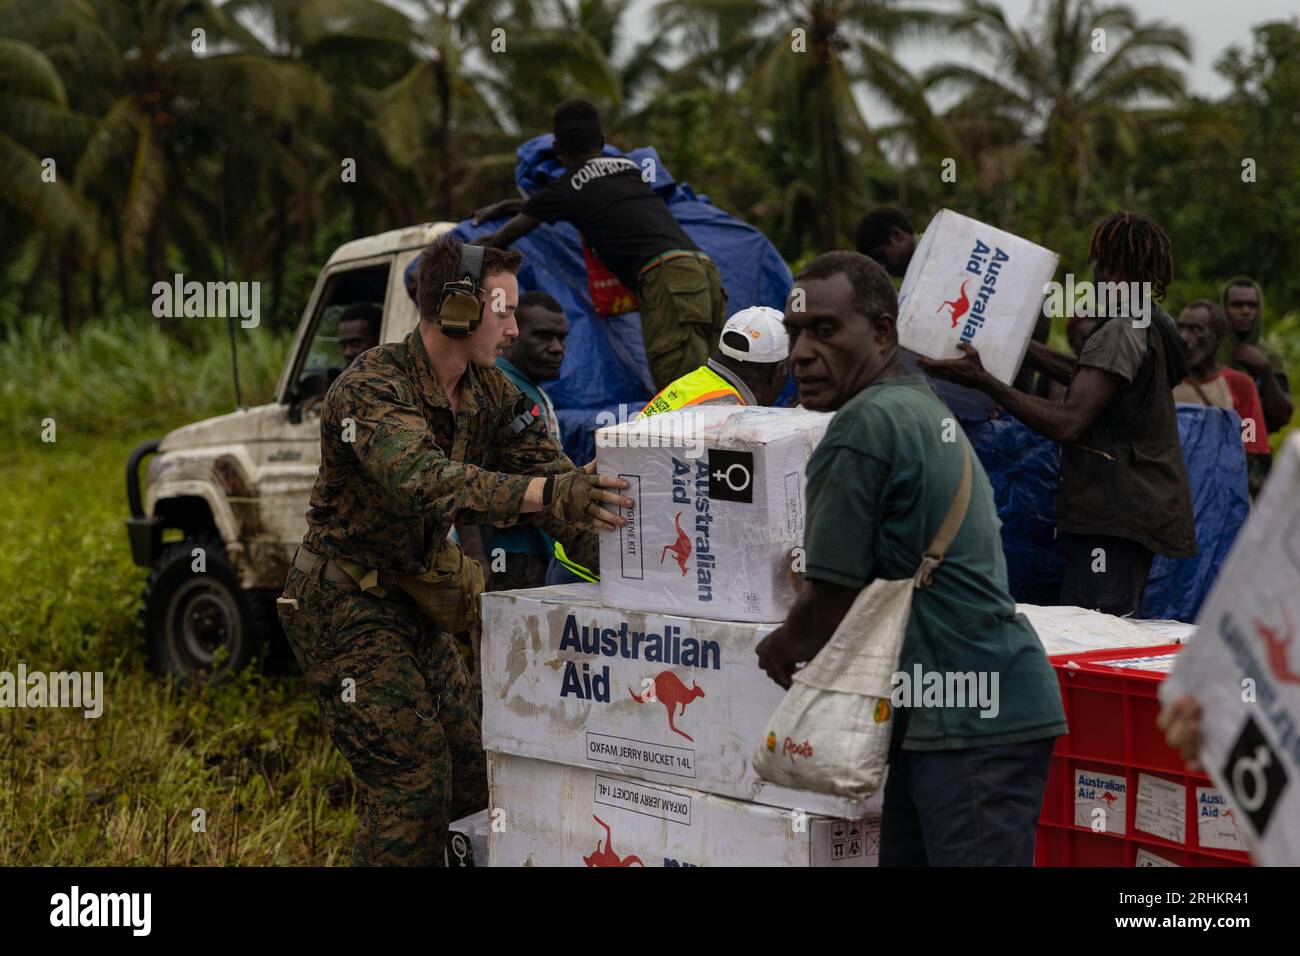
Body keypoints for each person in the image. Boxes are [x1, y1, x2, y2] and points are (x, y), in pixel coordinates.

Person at [277, 237, 633, 866]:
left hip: (415, 597)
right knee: (412, 783)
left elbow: (558, 488)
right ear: (459, 310)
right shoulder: (373, 387)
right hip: (341, 604)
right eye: (505, 312)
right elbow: (425, 479)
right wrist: (553, 490)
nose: (515, 329)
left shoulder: (490, 393)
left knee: (472, 770)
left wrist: (639, 568)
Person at [755, 251, 1066, 866]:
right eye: (795, 335)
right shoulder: (918, 405)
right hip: (950, 717)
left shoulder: (863, 427)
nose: (801, 354)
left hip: (969, 725)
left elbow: (829, 602)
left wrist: (780, 646)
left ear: (881, 333)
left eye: (824, 329)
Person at [922, 211, 1195, 617]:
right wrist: (1009, 342)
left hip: (1114, 514)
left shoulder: (1121, 326)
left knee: (1094, 635)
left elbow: (1069, 423)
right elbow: (1084, 374)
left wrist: (984, 380)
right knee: (1106, 628)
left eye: (1098, 263)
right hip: (1136, 507)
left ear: (1107, 263)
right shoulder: (1149, 318)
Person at [474, 99, 727, 392]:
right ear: (603, 142)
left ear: (558, 150)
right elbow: (579, 197)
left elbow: (506, 236)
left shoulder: (566, 187)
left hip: (668, 280)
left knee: (682, 390)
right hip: (705, 272)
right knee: (714, 381)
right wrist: (509, 205)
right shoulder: (628, 168)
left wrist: (479, 243)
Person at [546, 305, 791, 586]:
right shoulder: (728, 414)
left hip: (583, 557)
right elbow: (723, 517)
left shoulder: (699, 384)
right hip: (600, 572)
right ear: (779, 372)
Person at [474, 291, 570, 592]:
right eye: (543, 336)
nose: (556, 349)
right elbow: (464, 470)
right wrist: (475, 557)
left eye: (561, 338)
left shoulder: (528, 386)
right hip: (508, 554)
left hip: (536, 549)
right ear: (513, 334)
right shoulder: (498, 387)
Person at [1173, 299, 1270, 496]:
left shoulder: (1239, 385)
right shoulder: (1166, 381)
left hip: (1222, 498)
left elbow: (1251, 444)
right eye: (1181, 328)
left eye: (1196, 330)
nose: (1185, 337)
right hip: (1176, 498)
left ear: (1218, 337)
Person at [1221, 277, 1293, 435]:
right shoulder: (1209, 352)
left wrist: (1265, 371)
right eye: (1236, 305)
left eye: (1252, 305)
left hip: (1254, 447)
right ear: (1224, 309)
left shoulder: (1270, 357)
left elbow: (1283, 417)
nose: (1245, 311)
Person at [854, 206, 916, 278]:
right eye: (875, 264)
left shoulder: (931, 255)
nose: (882, 268)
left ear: (897, 235)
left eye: (881, 256)